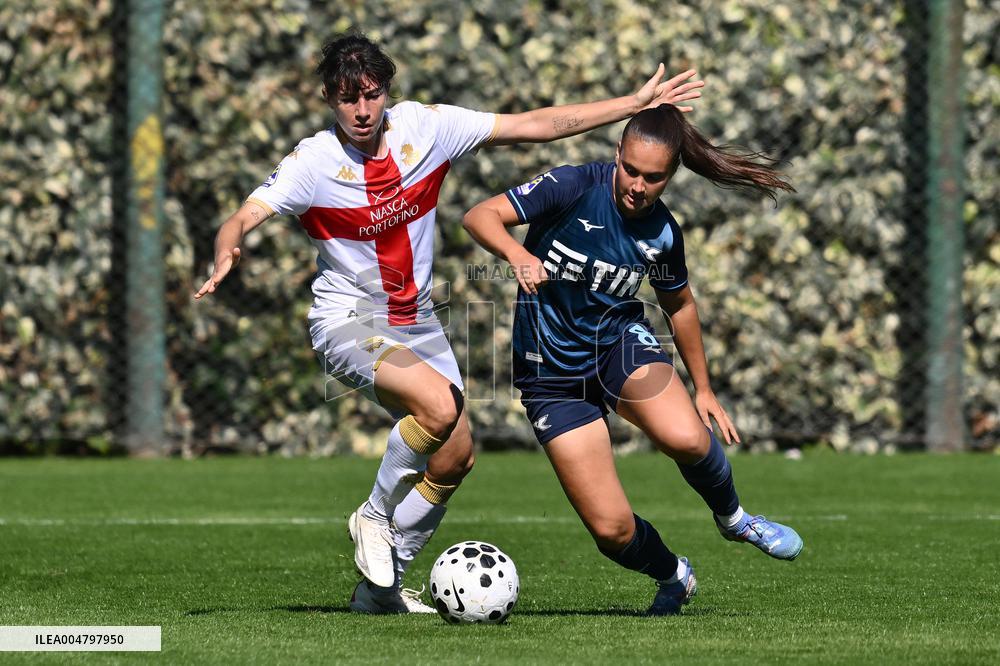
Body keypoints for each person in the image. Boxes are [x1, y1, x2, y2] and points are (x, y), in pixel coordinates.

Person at [193, 32, 704, 613]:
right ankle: (374, 515)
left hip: (417, 321)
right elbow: (244, 215)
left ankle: (379, 593)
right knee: (437, 408)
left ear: (387, 89)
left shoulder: (425, 129)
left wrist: (628, 106)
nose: (361, 110)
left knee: (455, 454)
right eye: (345, 98)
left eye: (371, 94)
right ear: (328, 101)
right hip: (348, 318)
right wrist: (227, 248)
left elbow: (537, 124)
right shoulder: (314, 162)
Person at [461, 103, 803, 615]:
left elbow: (680, 305)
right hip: (551, 375)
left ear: (671, 176)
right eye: (631, 170)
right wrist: (518, 254)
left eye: (654, 177)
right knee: (611, 530)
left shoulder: (663, 233)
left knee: (687, 436)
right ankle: (674, 575)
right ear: (616, 153)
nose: (638, 185)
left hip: (618, 345)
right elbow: (478, 215)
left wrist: (703, 388)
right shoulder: (573, 186)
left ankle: (734, 519)